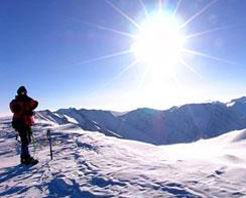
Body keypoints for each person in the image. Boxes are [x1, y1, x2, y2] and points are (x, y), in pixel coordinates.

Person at [9, 86, 39, 165]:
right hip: (21, 122)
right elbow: (17, 111)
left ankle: (24, 157)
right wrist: (27, 111)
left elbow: (35, 103)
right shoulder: (17, 102)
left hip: (23, 123)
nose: (23, 94)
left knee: (25, 140)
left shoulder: (23, 101)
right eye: (23, 92)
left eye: (24, 92)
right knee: (25, 141)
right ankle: (26, 158)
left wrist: (27, 100)